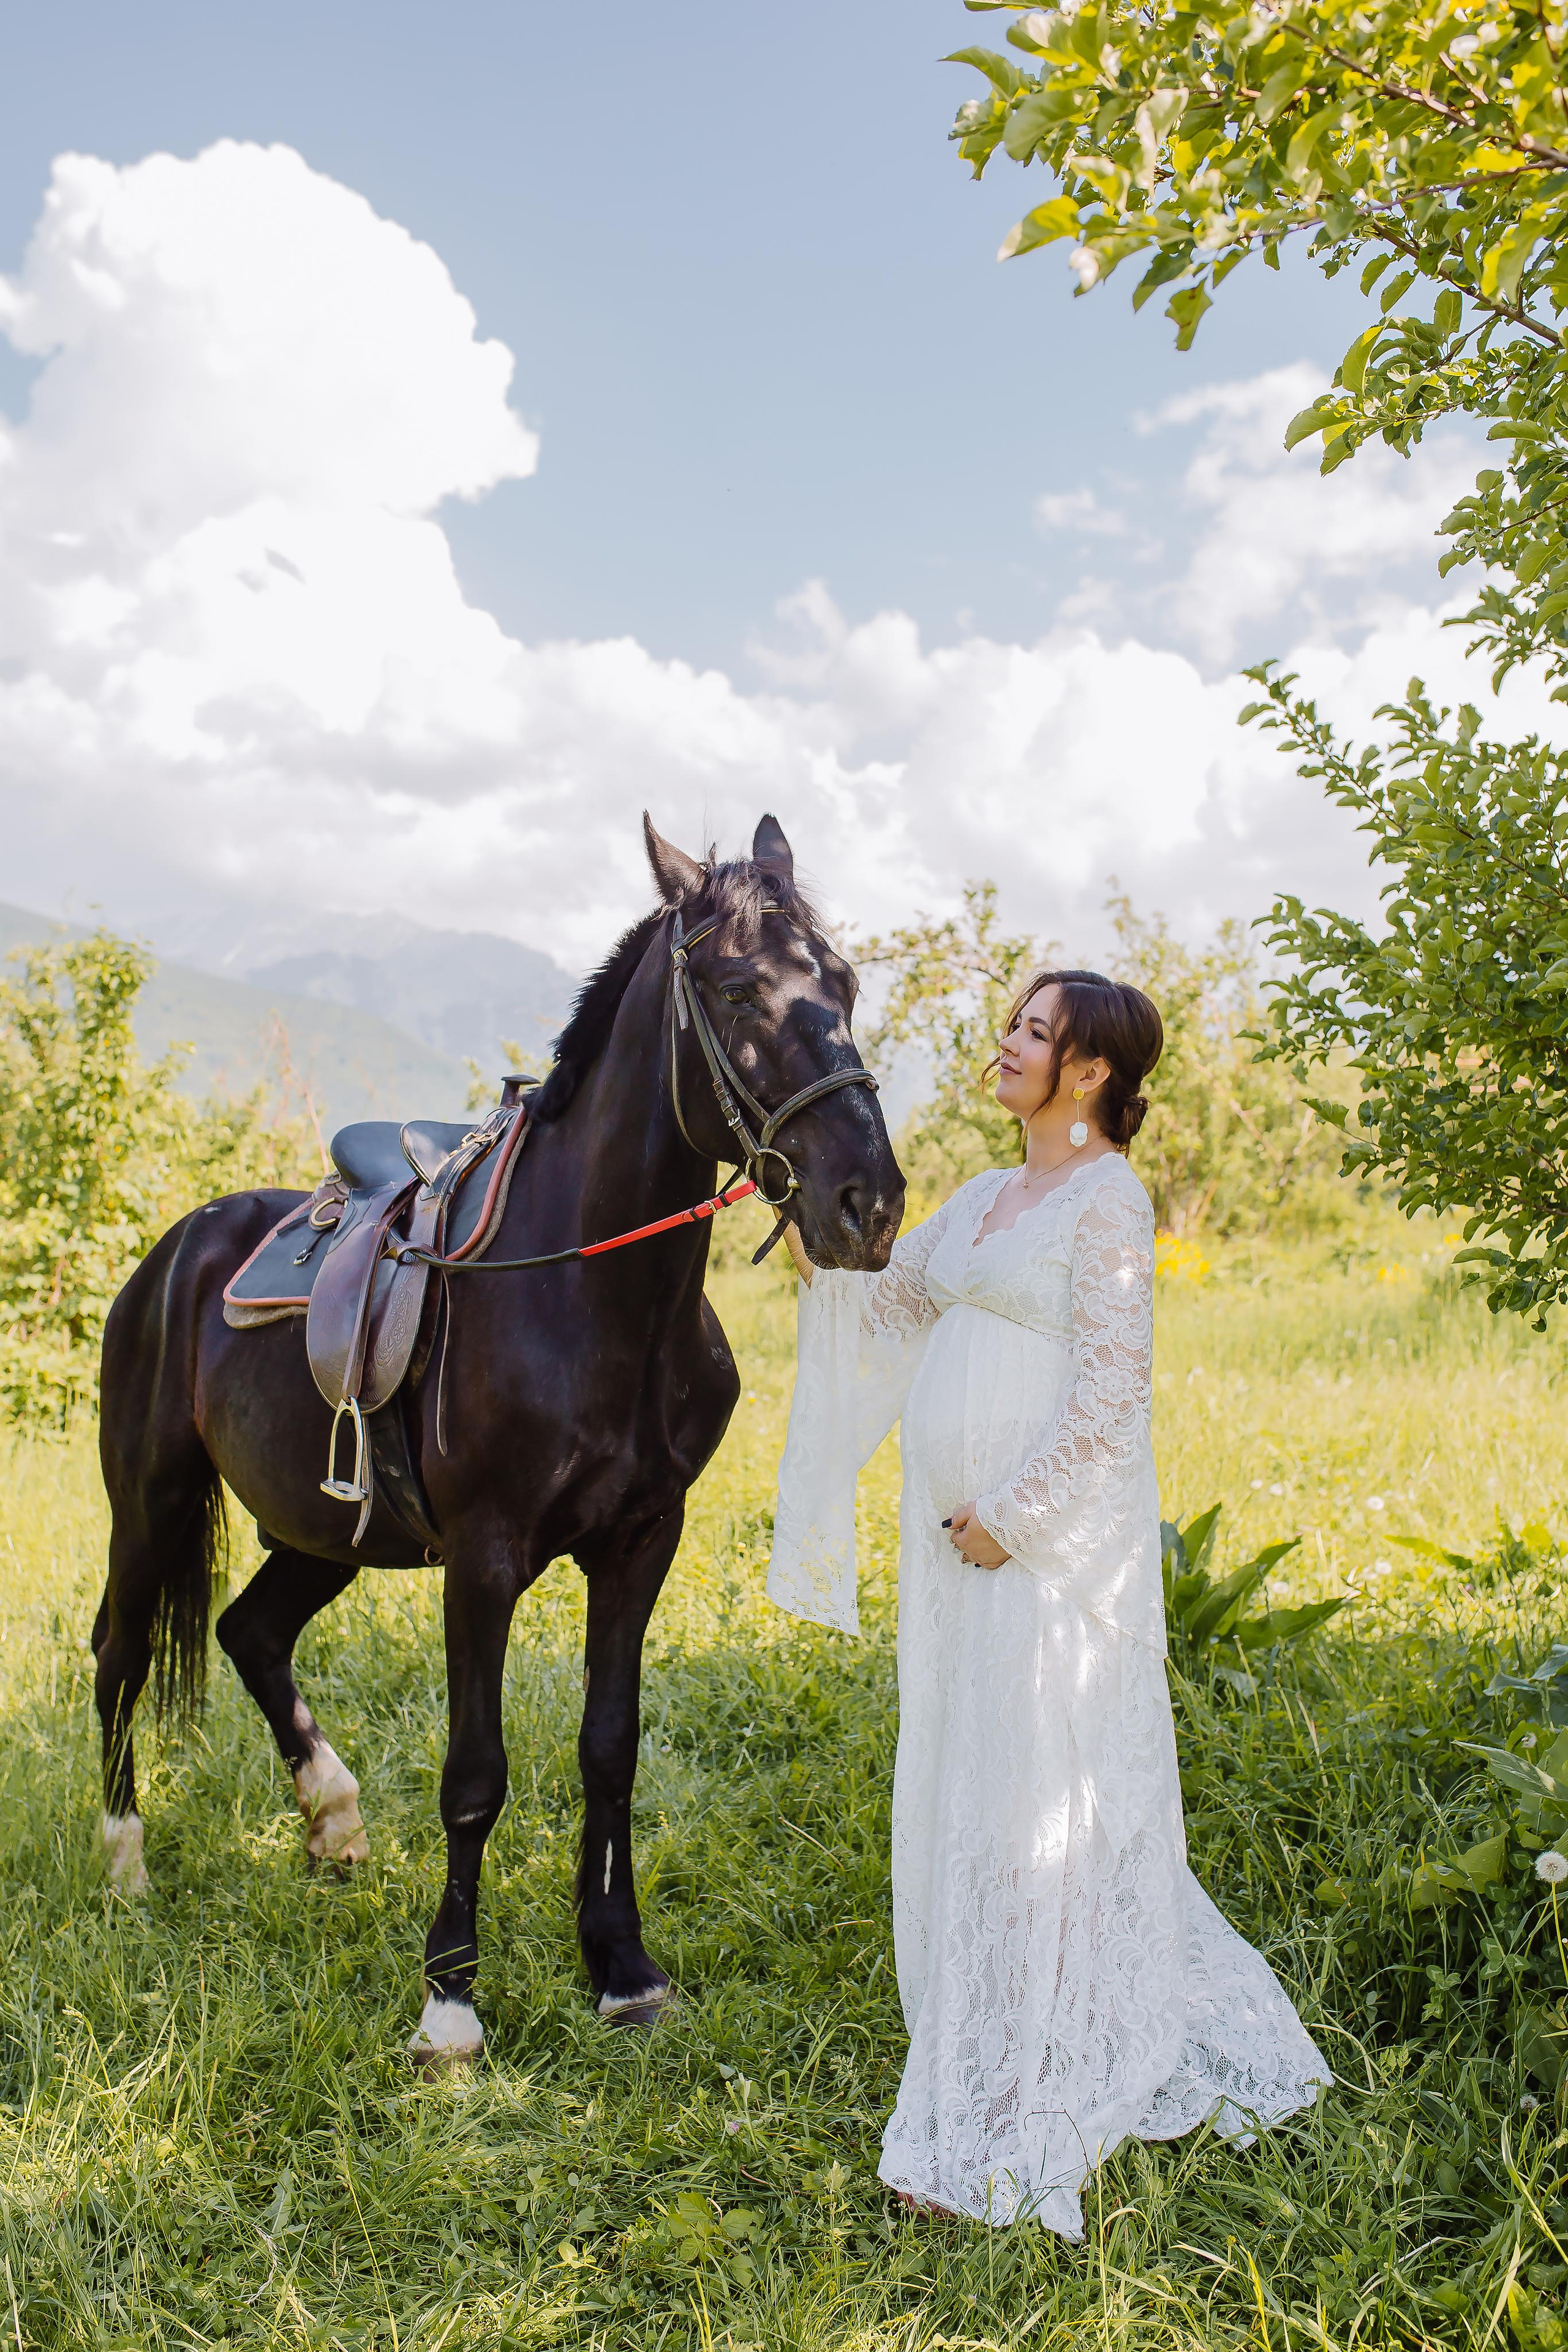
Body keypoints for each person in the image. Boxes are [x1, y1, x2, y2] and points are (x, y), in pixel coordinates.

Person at [768, 967, 1329, 2233]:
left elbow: (1109, 1399)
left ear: (1088, 1073)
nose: (1005, 1044)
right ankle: (981, 2020)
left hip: (1043, 1554)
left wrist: (1013, 1518)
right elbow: (887, 1305)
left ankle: (1028, 2082)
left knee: (1039, 1790)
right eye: (1013, 1024)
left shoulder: (1107, 1204)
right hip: (950, 1554)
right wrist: (812, 1247)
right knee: (971, 1776)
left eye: (1033, 1031)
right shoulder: (976, 1197)